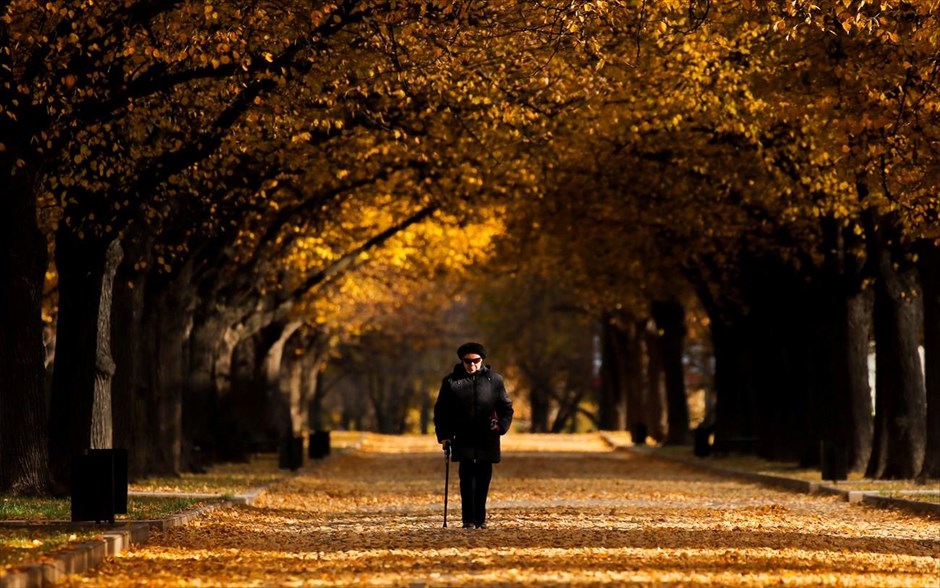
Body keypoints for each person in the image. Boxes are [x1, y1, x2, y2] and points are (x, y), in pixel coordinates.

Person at [434, 342, 513, 529]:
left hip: (487, 438)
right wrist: (444, 435)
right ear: (462, 361)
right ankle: (468, 520)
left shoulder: (494, 380)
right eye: (468, 361)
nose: (472, 365)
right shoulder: (451, 382)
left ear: (482, 360)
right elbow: (441, 411)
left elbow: (506, 408)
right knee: (467, 480)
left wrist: (501, 426)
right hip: (463, 437)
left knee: (484, 480)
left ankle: (481, 519)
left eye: (476, 361)